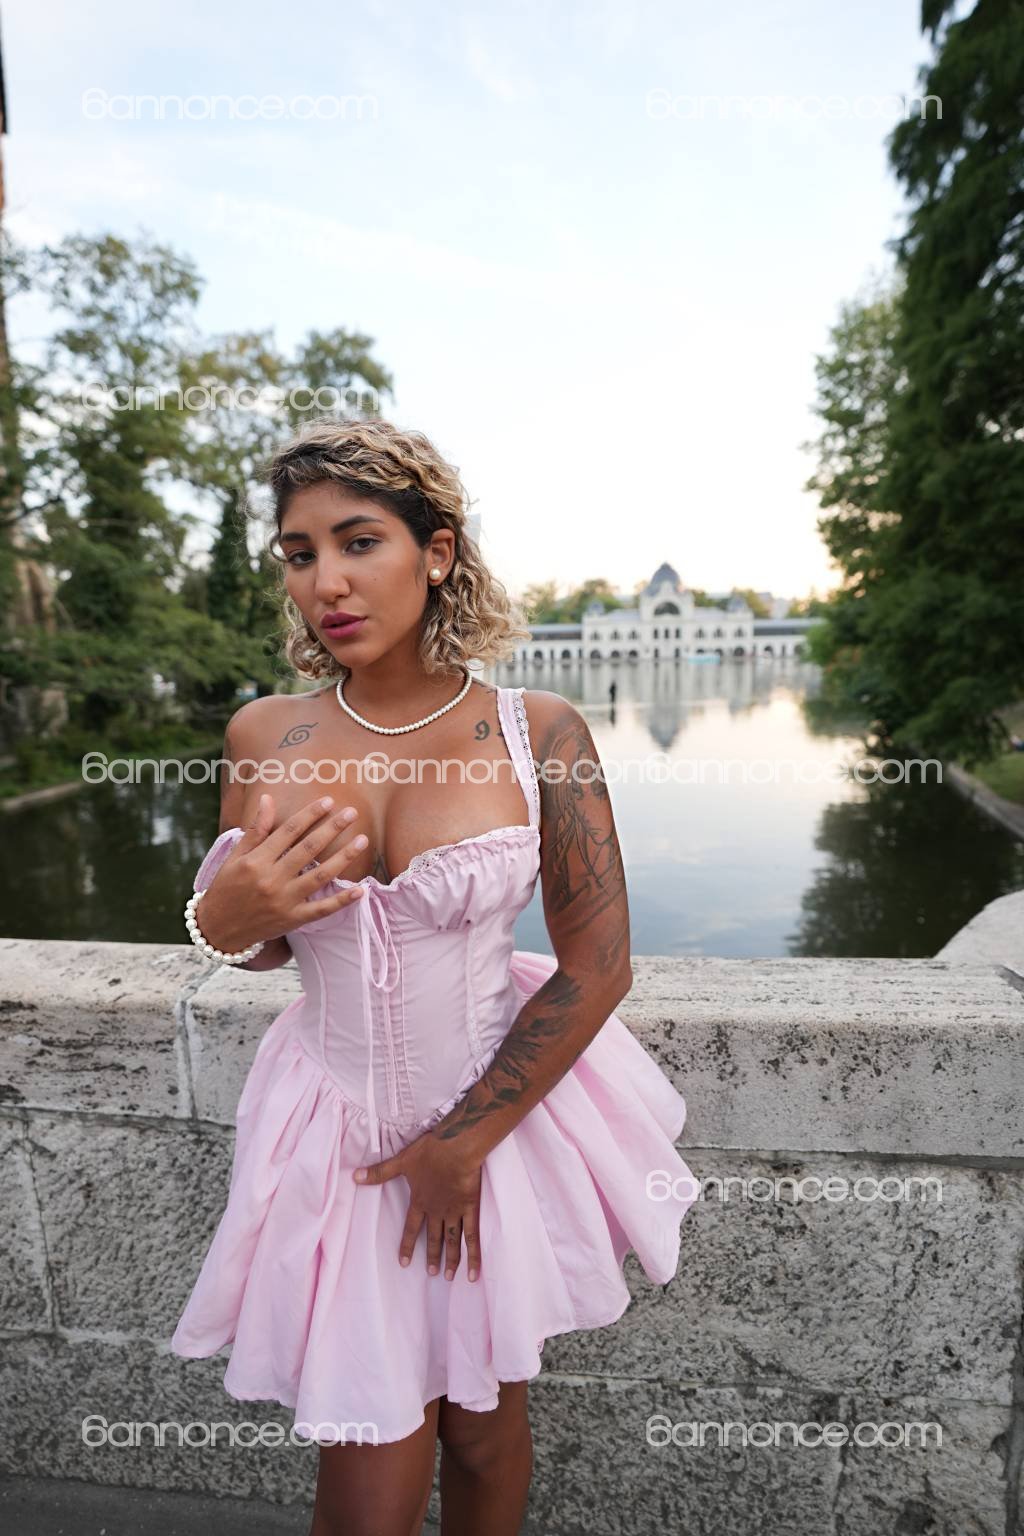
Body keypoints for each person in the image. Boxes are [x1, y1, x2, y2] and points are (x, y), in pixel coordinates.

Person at [169, 417, 697, 1536]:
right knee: (369, 1476)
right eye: (300, 554)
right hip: (339, 1138)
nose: (326, 582)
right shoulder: (265, 734)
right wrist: (222, 916)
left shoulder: (536, 731)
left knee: (485, 1432)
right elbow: (254, 941)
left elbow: (598, 966)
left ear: (438, 552)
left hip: (494, 1125)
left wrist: (463, 1143)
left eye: (358, 541)